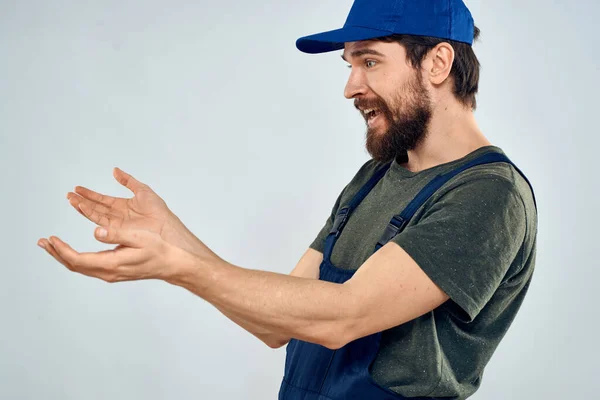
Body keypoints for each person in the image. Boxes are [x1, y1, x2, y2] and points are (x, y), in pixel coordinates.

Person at [38, 0, 538, 399]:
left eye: (369, 61)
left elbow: (344, 315)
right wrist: (175, 239)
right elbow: (281, 324)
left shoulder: (488, 195)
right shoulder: (374, 178)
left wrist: (177, 267)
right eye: (349, 65)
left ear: (438, 62)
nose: (350, 87)